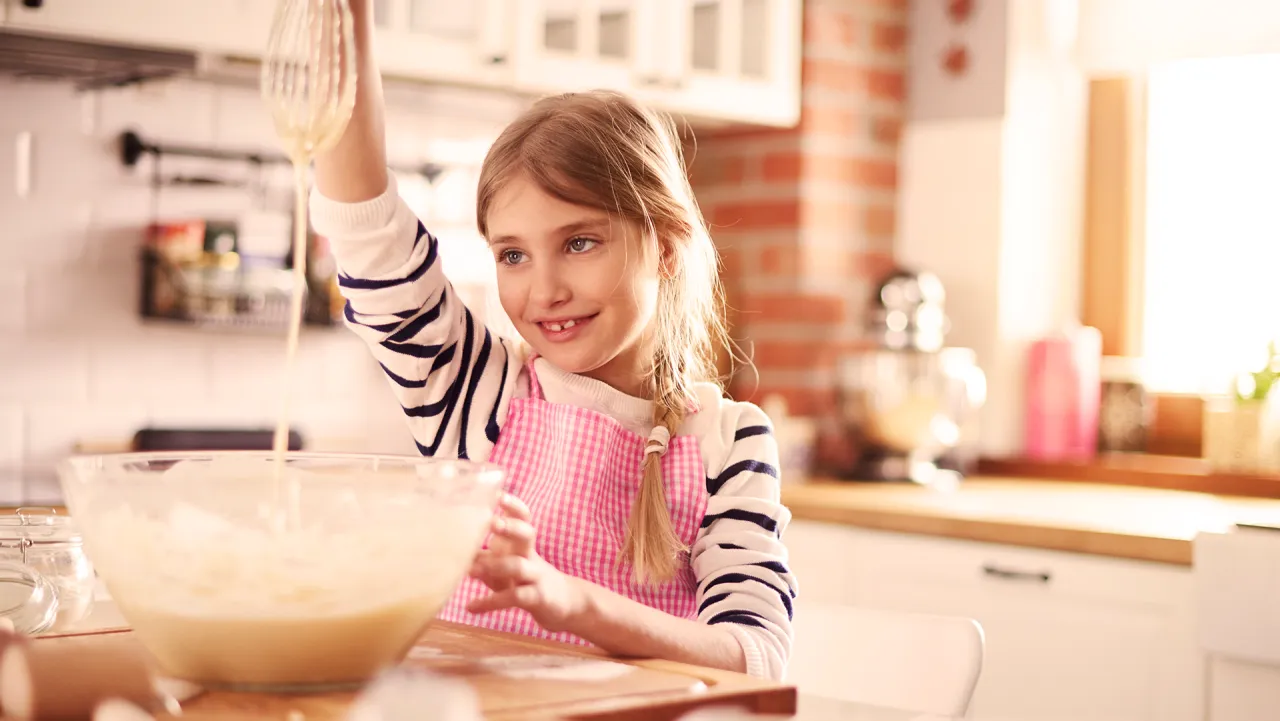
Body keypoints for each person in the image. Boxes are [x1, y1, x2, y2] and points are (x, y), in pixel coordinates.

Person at [311, 0, 797, 681]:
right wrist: (346, 17)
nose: (544, 291)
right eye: (513, 255)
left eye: (579, 242)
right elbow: (367, 231)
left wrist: (574, 603)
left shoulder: (728, 441)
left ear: (664, 246)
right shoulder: (475, 392)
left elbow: (758, 656)